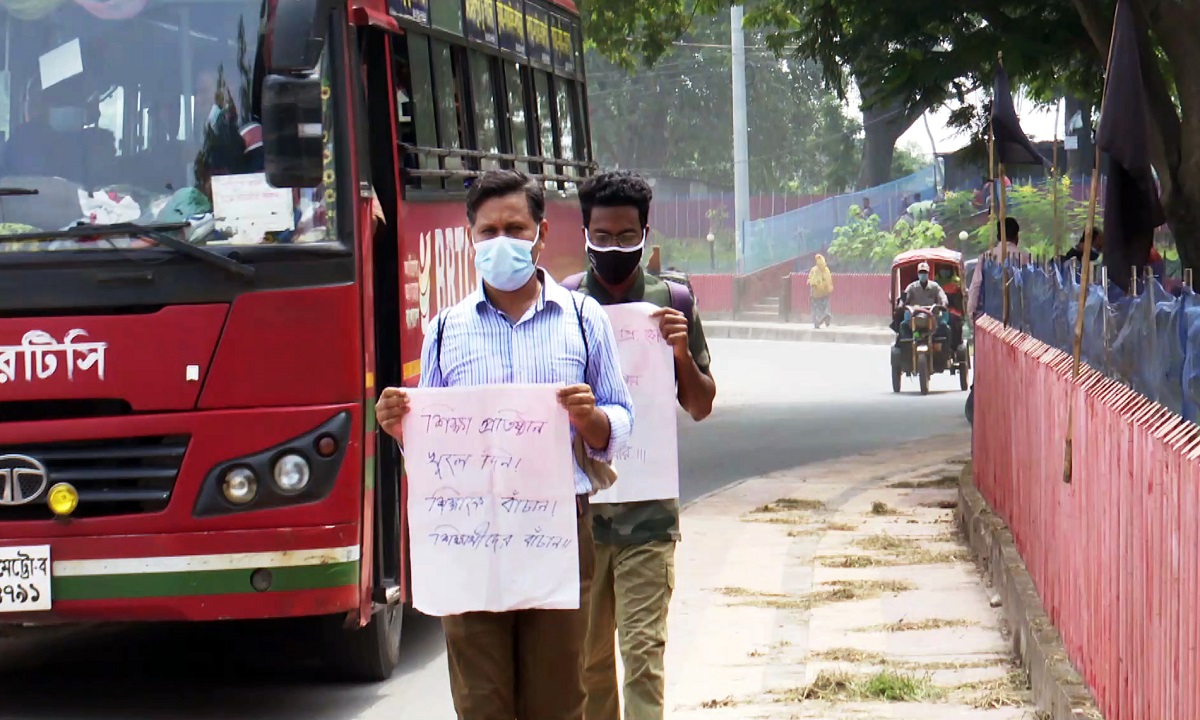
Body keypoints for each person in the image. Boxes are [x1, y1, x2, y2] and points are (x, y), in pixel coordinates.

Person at [373, 169, 635, 720]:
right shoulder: (446, 330)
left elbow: (622, 422)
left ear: (540, 235)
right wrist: (401, 429)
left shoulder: (583, 320)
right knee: (480, 702)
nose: (501, 241)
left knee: (560, 700)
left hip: (558, 532)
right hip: (472, 540)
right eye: (488, 230)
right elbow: (435, 447)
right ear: (470, 238)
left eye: (514, 228)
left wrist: (590, 419)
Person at [563, 171, 716, 720]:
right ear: (584, 233)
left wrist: (678, 354)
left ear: (646, 233)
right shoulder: (561, 307)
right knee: (589, 666)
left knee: (643, 656)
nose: (613, 249)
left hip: (649, 518)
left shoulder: (672, 301)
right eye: (601, 237)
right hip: (579, 522)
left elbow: (700, 404)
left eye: (626, 237)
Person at [967, 217, 1031, 320]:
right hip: (1018, 319)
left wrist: (971, 313)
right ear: (1017, 236)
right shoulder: (1026, 259)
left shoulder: (986, 257)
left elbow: (976, 286)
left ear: (998, 236)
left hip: (990, 318)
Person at [808, 254, 834, 328]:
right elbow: (829, 281)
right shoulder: (826, 270)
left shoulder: (814, 270)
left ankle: (817, 322)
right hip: (824, 293)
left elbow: (811, 280)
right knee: (825, 306)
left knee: (816, 309)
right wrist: (829, 288)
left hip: (815, 293)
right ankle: (826, 315)